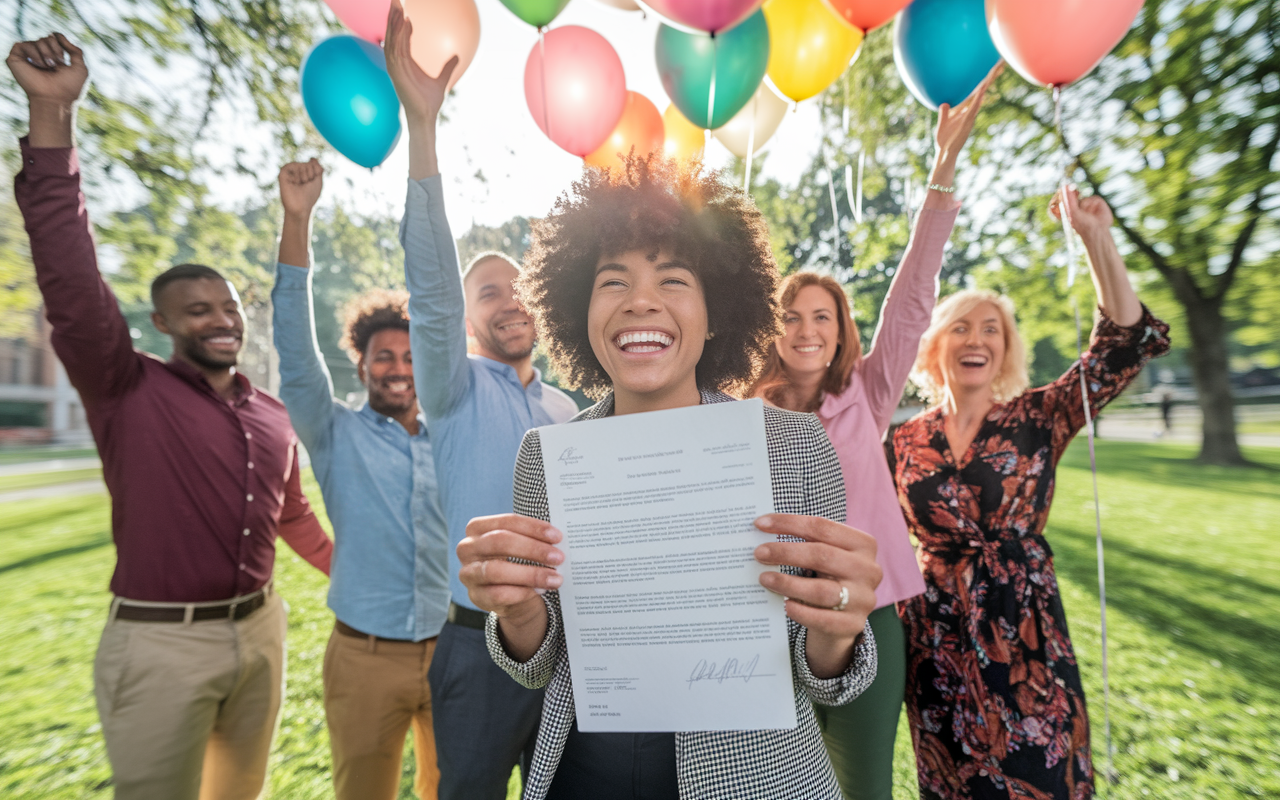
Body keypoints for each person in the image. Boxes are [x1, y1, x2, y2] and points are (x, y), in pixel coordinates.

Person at [456, 153, 885, 800]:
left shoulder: (796, 447)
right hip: (582, 776)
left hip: (756, 779)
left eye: (674, 279)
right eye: (612, 282)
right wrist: (516, 610)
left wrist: (838, 629)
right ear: (579, 311)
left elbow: (821, 670)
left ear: (716, 315)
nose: (641, 302)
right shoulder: (545, 456)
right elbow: (540, 661)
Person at [8, 33, 333, 800]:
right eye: (196, 310)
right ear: (162, 322)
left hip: (261, 633)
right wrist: (53, 115)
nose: (220, 320)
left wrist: (360, 571)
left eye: (227, 307)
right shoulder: (124, 386)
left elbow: (292, 518)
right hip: (159, 646)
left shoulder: (272, 416)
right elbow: (70, 276)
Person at [749, 65, 998, 800]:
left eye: (822, 316)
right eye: (792, 314)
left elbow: (914, 295)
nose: (806, 327)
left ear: (839, 334)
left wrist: (942, 174)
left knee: (862, 787)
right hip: (767, 616)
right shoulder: (738, 414)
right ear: (772, 330)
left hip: (868, 616)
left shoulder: (867, 391)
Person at [887, 187, 1170, 800]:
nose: (977, 338)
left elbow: (1121, 344)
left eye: (992, 329)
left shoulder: (1041, 415)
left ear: (1006, 349)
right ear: (935, 346)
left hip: (1025, 632)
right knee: (952, 782)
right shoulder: (902, 440)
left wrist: (1096, 237)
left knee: (1042, 774)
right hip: (933, 635)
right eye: (961, 327)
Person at [381, 4, 579, 797]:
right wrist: (422, 132)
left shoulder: (572, 410)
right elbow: (429, 291)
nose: (509, 299)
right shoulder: (455, 387)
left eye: (517, 286)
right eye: (488, 291)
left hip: (572, 647)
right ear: (467, 320)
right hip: (477, 644)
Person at [271, 159, 450, 800]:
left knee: (454, 791)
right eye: (384, 357)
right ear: (362, 365)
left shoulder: (448, 438)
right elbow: (294, 351)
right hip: (364, 656)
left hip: (452, 650)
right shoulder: (332, 432)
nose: (398, 368)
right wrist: (298, 220)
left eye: (408, 356)